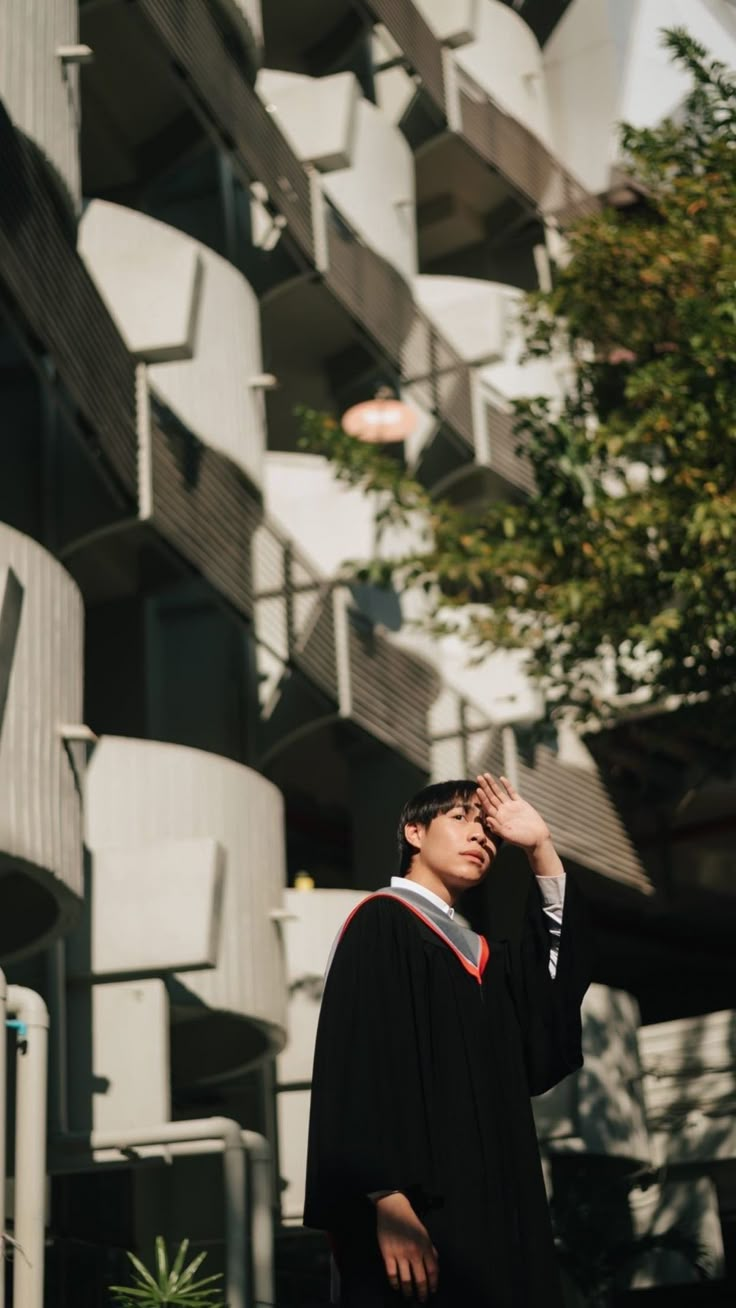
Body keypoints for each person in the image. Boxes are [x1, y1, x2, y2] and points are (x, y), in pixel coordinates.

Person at [303, 772, 591, 1306]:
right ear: (414, 833)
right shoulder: (380, 923)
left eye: (489, 831)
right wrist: (386, 1198)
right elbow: (357, 1065)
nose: (480, 837)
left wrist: (541, 850)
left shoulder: (483, 955)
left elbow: (553, 994)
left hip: (496, 1210)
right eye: (461, 819)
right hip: (418, 1215)